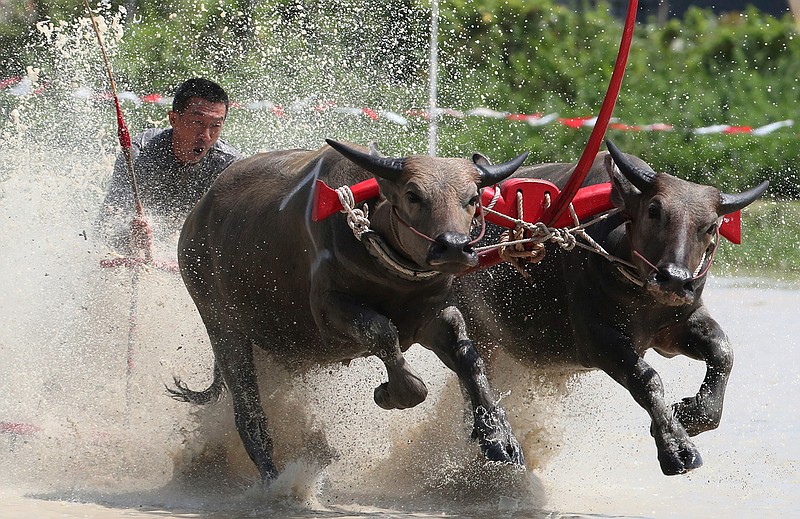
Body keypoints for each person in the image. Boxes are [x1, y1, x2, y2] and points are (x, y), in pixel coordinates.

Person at [96, 77, 241, 255]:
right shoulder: (138, 156)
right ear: (173, 119)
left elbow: (235, 236)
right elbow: (105, 227)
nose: (205, 135)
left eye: (215, 126)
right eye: (197, 122)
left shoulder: (229, 167)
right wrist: (129, 235)